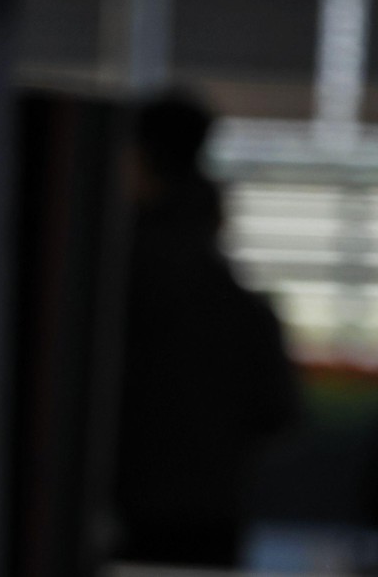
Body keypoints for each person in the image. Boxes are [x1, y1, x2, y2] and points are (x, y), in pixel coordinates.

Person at [113, 91, 297, 566]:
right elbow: (276, 411)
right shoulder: (238, 301)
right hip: (211, 515)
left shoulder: (104, 283)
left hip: (119, 512)